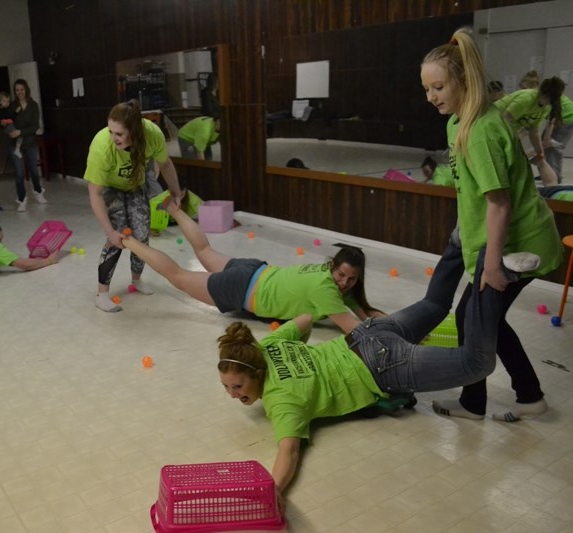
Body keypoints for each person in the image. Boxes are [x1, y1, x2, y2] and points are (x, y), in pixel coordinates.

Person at [216, 248, 536, 509]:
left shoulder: (281, 402)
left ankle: (497, 275)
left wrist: (274, 491)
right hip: (369, 331)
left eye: (237, 386)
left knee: (477, 364)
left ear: (257, 373)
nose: (232, 395)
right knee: (434, 305)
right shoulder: (267, 346)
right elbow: (303, 320)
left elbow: (288, 451)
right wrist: (300, 351)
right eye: (228, 387)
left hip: (383, 366)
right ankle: (457, 242)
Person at [420, 29, 562, 422]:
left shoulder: (480, 130)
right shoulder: (457, 123)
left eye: (438, 86)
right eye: (427, 88)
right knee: (482, 317)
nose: (431, 96)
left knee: (472, 317)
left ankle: (475, 403)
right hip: (496, 239)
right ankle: (528, 396)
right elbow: (473, 190)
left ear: (464, 82)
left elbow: (498, 202)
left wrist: (494, 264)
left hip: (519, 243)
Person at [120, 202, 383, 332]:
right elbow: (357, 330)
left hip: (254, 269)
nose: (344, 283)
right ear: (332, 266)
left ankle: (174, 209)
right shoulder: (327, 291)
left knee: (204, 250)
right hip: (242, 289)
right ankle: (127, 240)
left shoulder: (330, 276)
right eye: (341, 275)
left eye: (351, 279)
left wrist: (396, 324)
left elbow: (364, 313)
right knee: (177, 276)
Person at [84, 98, 184, 312]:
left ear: (135, 132)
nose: (113, 138)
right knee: (119, 238)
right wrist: (109, 231)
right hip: (111, 190)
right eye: (110, 131)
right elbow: (95, 193)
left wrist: (175, 192)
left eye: (119, 134)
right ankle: (102, 294)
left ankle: (136, 281)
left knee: (141, 235)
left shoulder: (152, 134)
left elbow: (165, 164)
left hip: (136, 185)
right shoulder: (101, 146)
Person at [494, 76, 565, 182]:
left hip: (506, 131)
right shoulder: (526, 99)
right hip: (493, 128)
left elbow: (534, 131)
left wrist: (540, 153)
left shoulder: (545, 107)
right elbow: (504, 121)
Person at [8, 79, 47, 212]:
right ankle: (22, 199)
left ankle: (38, 191)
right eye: (17, 90)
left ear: (26, 90)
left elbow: (35, 126)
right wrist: (10, 131)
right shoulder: (12, 106)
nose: (19, 92)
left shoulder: (33, 105)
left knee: (34, 171)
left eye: (22, 89)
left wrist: (21, 131)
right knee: (19, 173)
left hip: (30, 142)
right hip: (15, 144)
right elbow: (7, 121)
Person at [542, 91, 573, 182]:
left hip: (567, 120)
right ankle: (546, 173)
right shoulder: (548, 97)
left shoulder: (551, 101)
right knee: (545, 146)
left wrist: (547, 139)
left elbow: (552, 121)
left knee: (553, 148)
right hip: (561, 119)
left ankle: (555, 176)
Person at [0, 91, 23, 159]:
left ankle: (17, 149)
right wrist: (16, 112)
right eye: (4, 101)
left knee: (20, 136)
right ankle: (17, 150)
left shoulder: (7, 109)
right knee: (19, 135)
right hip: (8, 127)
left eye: (8, 101)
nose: (6, 103)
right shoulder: (2, 110)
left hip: (9, 126)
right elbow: (7, 120)